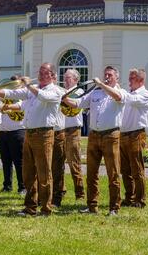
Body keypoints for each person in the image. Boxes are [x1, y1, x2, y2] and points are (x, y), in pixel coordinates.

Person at [0, 63, 61, 216]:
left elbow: (42, 96)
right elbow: (14, 95)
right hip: (30, 133)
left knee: (44, 173)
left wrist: (29, 85)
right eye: (40, 71)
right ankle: (30, 206)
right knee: (28, 172)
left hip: (44, 134)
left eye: (44, 72)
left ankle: (46, 208)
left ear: (53, 75)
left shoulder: (55, 91)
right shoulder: (32, 90)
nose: (40, 74)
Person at [63, 66, 127, 215]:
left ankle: (114, 207)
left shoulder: (119, 92)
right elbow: (79, 103)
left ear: (116, 77)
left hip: (111, 135)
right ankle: (92, 206)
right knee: (91, 172)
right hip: (94, 135)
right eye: (105, 74)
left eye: (110, 75)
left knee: (113, 173)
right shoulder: (95, 92)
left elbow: (117, 97)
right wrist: (65, 99)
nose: (107, 77)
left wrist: (101, 84)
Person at [120, 68, 148, 208]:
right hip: (124, 134)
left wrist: (118, 92)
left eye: (132, 78)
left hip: (136, 134)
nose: (129, 81)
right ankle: (129, 197)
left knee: (137, 168)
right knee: (125, 169)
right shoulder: (129, 94)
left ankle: (140, 199)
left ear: (141, 80)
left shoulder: (145, 94)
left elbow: (131, 99)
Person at [63, 69, 85, 200]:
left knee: (74, 163)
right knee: (58, 162)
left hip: (72, 130)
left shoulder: (79, 91)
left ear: (76, 80)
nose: (65, 80)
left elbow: (72, 101)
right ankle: (60, 190)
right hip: (61, 130)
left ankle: (80, 193)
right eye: (65, 77)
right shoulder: (63, 91)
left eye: (68, 78)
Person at [0, 99, 26, 194]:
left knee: (19, 161)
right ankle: (7, 185)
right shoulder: (2, 97)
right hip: (2, 131)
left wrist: (6, 107)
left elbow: (20, 107)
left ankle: (22, 187)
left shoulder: (20, 96)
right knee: (5, 161)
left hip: (17, 131)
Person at [52, 78, 66, 207]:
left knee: (57, 167)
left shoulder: (62, 92)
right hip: (43, 132)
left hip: (57, 132)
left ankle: (57, 197)